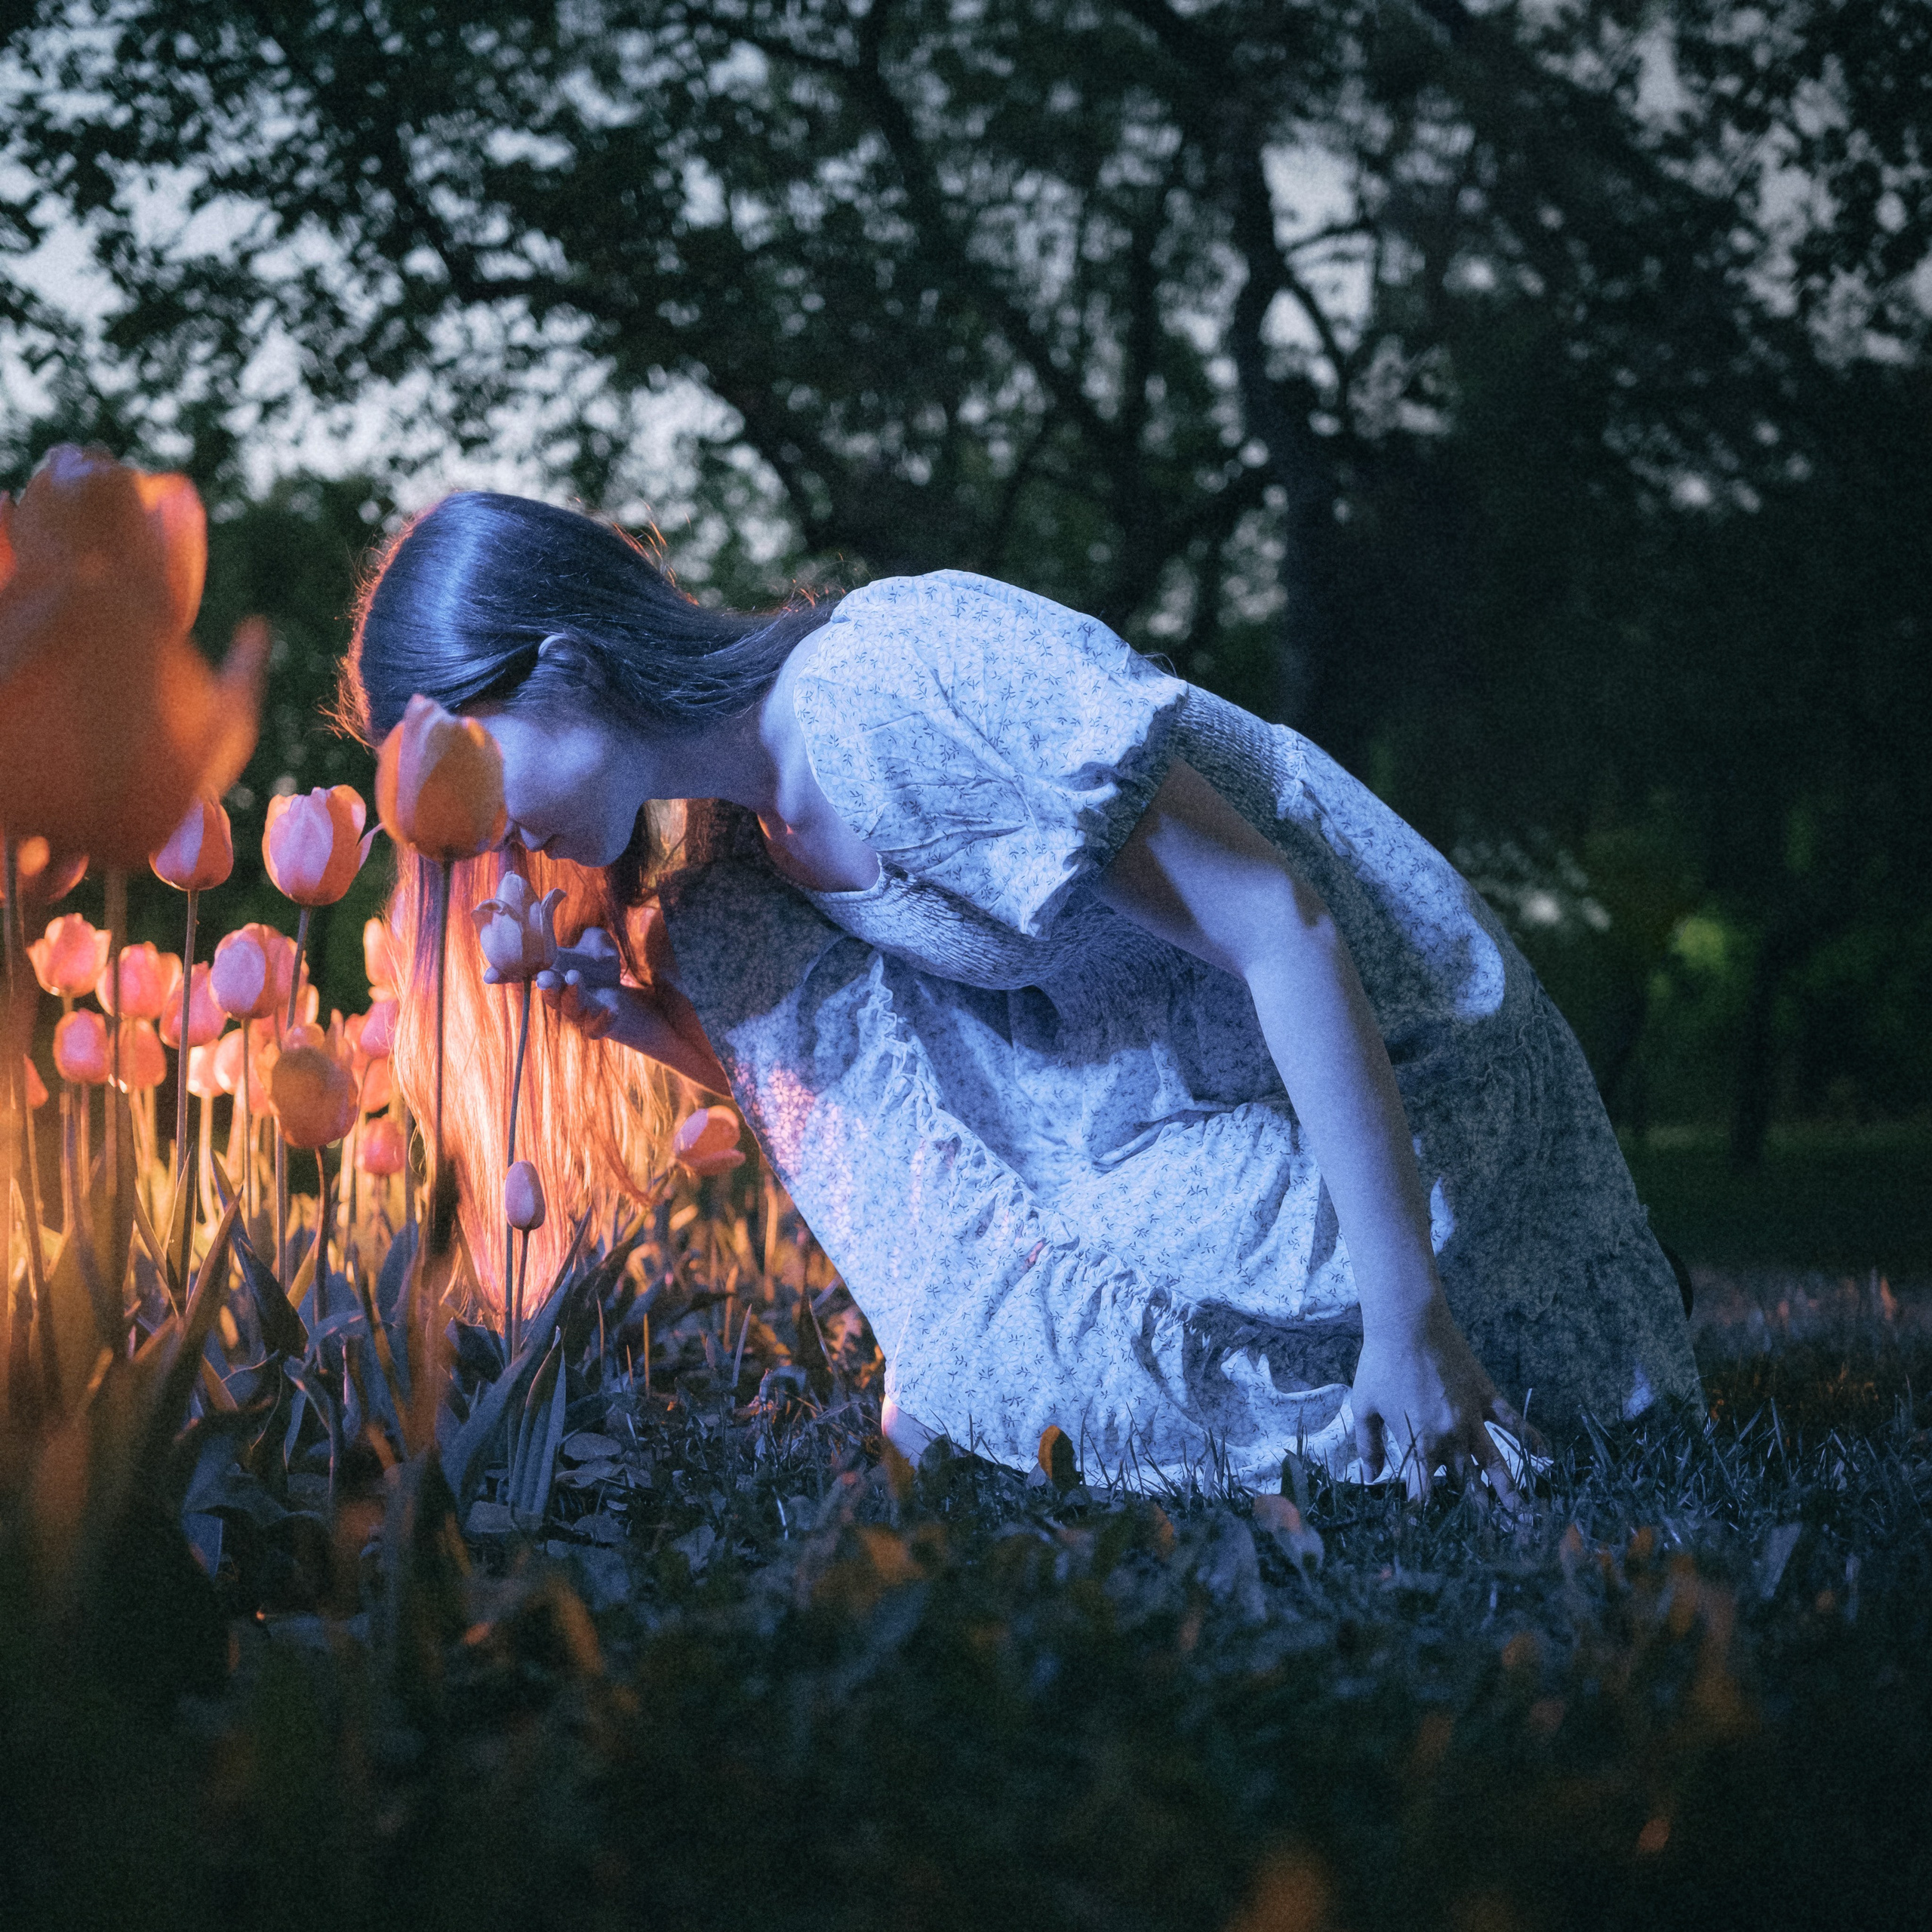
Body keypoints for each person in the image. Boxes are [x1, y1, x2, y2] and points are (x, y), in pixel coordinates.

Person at [340, 491, 1701, 1500]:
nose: (478, 829)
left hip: (1389, 1063)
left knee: (1395, 1384)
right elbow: (875, 1122)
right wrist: (644, 1024)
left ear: (564, 659)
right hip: (1165, 1095)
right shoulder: (743, 860)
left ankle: (1455, 1294)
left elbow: (1284, 926)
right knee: (719, 929)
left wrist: (1408, 1321)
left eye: (461, 755)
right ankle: (1031, 1377)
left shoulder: (887, 692)